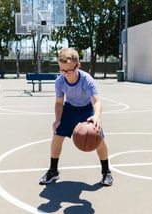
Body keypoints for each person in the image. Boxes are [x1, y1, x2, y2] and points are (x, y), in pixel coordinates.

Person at [39, 48, 113, 186]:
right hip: (70, 109)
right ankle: (53, 170)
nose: (65, 74)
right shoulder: (59, 82)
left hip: (87, 110)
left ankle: (106, 171)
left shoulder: (86, 80)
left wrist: (97, 116)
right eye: (62, 70)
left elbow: (96, 101)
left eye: (69, 70)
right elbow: (59, 103)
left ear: (77, 66)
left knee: (99, 138)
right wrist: (58, 120)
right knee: (56, 136)